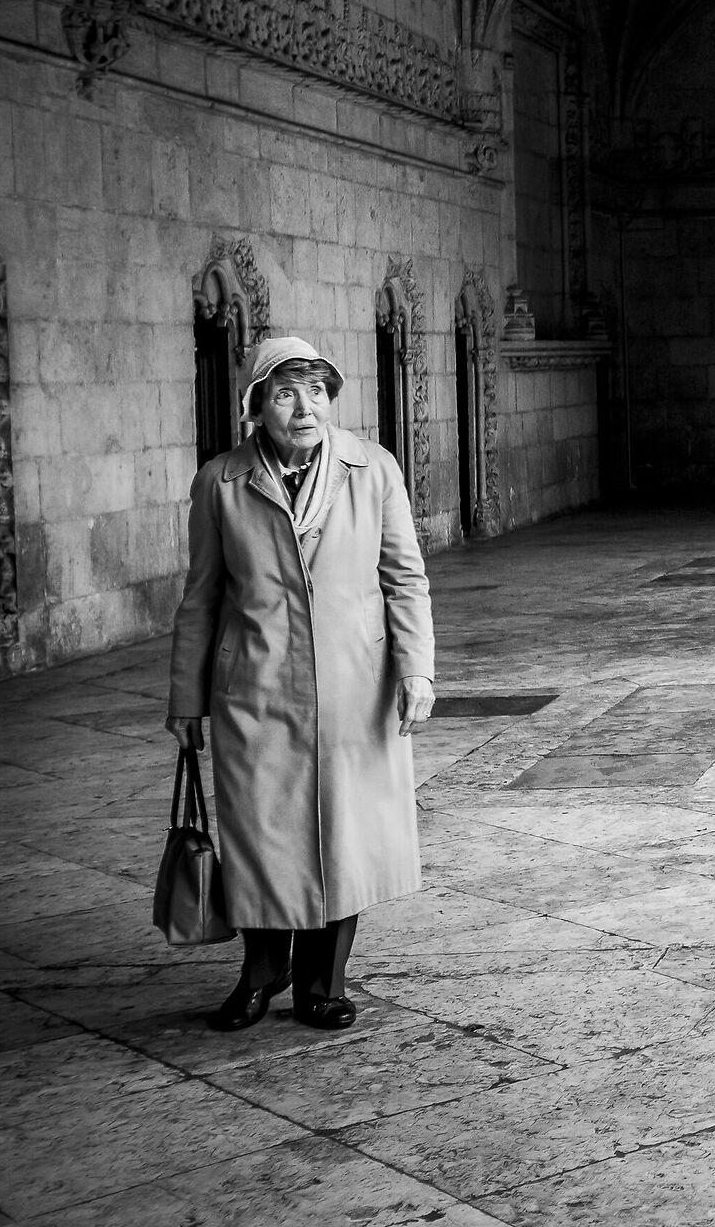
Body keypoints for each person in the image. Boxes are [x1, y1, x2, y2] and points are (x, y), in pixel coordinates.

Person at [166, 336, 436, 1030]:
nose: (305, 407)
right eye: (285, 394)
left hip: (354, 688)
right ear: (256, 406)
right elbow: (201, 596)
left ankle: (323, 982)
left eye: (316, 392)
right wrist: (187, 697)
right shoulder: (220, 483)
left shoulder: (372, 469)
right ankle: (262, 972)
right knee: (261, 835)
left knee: (343, 837)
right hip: (255, 689)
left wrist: (415, 668)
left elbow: (404, 579)